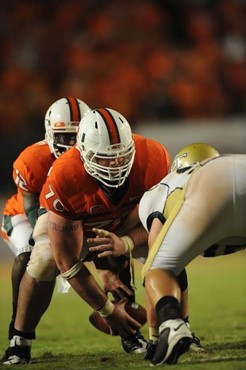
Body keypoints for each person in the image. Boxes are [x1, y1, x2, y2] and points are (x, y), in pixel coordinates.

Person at [2, 107, 171, 365]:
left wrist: (125, 243)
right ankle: (19, 339)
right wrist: (106, 310)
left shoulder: (152, 157)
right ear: (83, 153)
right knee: (42, 257)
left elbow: (162, 221)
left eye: (121, 156)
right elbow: (66, 260)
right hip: (70, 220)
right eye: (104, 158)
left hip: (123, 217)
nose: (115, 165)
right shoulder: (63, 173)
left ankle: (174, 327)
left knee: (167, 248)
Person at [138, 142, 246, 366]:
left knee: (157, 269)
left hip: (210, 184)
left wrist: (155, 336)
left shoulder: (161, 190)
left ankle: (174, 325)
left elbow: (154, 263)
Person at [1, 97, 91, 364]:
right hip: (24, 215)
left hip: (72, 216)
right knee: (30, 256)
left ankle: (129, 331)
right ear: (51, 133)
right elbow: (30, 206)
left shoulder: (96, 154)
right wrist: (51, 238)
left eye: (78, 136)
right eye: (65, 136)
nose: (73, 144)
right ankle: (18, 325)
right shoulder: (32, 160)